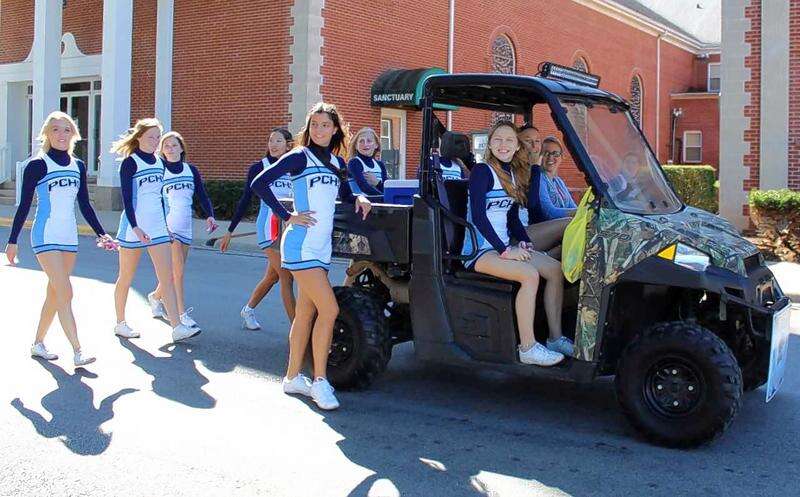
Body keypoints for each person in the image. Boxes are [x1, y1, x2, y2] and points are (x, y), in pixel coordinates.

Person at [250, 102, 372, 410]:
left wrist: (359, 196)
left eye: (325, 125)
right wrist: (287, 215)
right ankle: (320, 381)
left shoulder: (337, 162)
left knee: (305, 313)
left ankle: (292, 378)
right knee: (329, 310)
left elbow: (345, 193)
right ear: (309, 128)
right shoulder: (299, 156)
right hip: (300, 245)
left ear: (335, 129)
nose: (319, 129)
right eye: (314, 124)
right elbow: (259, 183)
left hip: (321, 247)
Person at [4, 111, 114, 366]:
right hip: (45, 235)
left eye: (66, 129)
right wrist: (12, 240)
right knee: (66, 291)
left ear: (73, 134)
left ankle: (38, 343)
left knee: (55, 293)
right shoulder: (37, 165)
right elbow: (24, 205)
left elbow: (85, 204)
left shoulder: (78, 166)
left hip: (68, 237)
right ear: (46, 134)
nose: (61, 134)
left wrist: (102, 233)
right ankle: (78, 350)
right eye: (55, 129)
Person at [461, 121, 573, 366]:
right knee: (529, 275)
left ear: (516, 146)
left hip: (502, 247)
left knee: (555, 270)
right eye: (498, 140)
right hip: (480, 251)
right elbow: (479, 217)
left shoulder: (512, 173)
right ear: (490, 144)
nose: (503, 145)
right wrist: (505, 250)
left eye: (509, 140)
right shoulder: (482, 171)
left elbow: (512, 217)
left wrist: (524, 241)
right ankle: (528, 347)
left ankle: (555, 338)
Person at [111, 118, 198, 343]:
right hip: (134, 227)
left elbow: (160, 197)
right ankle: (120, 322)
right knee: (126, 276)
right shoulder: (130, 163)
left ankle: (177, 327)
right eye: (151, 136)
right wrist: (135, 227)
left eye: (158, 137)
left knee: (167, 277)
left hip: (158, 227)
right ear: (139, 137)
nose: (155, 141)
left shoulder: (160, 163)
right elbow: (127, 199)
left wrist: (165, 227)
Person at [219, 128, 296, 329]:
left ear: (288, 145)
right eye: (271, 140)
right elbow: (246, 199)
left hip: (288, 227)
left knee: (273, 276)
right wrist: (230, 231)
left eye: (278, 141)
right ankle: (298, 330)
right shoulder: (259, 167)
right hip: (268, 228)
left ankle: (248, 309)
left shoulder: (293, 167)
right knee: (286, 277)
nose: (273, 144)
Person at [146, 131, 217, 332]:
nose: (170, 149)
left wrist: (210, 215)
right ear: (162, 150)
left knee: (174, 272)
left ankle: (156, 296)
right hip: (168, 227)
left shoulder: (190, 170)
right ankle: (181, 314)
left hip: (186, 226)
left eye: (174, 145)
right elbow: (155, 200)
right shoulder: (160, 171)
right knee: (178, 273)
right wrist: (160, 226)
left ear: (181, 148)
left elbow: (202, 195)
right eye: (166, 146)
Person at [520, 135, 578, 258]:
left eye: (555, 153)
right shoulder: (539, 178)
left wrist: (583, 212)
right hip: (541, 231)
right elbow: (549, 212)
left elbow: (572, 207)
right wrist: (581, 212)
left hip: (557, 231)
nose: (550, 157)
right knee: (574, 228)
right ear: (540, 157)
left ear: (562, 157)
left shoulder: (558, 182)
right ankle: (542, 259)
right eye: (546, 153)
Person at [346, 127, 387, 196]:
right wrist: (384, 198)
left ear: (376, 145)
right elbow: (364, 187)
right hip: (359, 203)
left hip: (378, 202)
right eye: (361, 141)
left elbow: (387, 189)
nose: (365, 144)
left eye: (369, 141)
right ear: (356, 146)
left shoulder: (380, 165)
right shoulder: (354, 163)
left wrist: (377, 183)